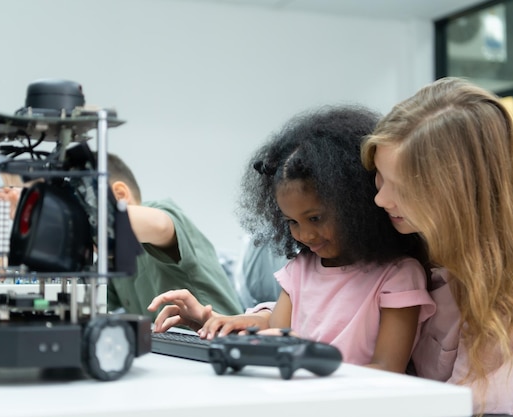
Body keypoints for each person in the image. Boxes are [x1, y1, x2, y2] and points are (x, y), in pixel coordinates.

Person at [149, 105, 435, 373]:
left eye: (315, 218)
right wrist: (213, 321)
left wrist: (306, 358)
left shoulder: (399, 275)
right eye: (292, 222)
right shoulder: (301, 268)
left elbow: (388, 370)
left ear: (355, 206)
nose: (304, 235)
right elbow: (276, 329)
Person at [361, 76, 513, 414]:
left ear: (458, 194)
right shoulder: (408, 233)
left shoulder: (512, 292)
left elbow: (472, 404)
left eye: (403, 189)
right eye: (379, 177)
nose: (380, 199)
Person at [0, 154, 243, 321]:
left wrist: (44, 208)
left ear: (120, 195)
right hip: (171, 355)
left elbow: (156, 224)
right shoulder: (112, 257)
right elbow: (83, 305)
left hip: (219, 343)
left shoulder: (163, 215)